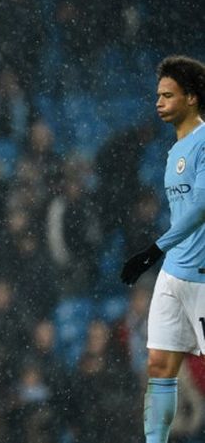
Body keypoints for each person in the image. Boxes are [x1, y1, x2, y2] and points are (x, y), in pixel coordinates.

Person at [120, 55, 205, 443]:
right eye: (157, 95)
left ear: (191, 98)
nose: (159, 103)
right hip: (176, 272)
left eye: (167, 95)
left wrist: (153, 250)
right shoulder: (175, 151)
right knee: (158, 363)